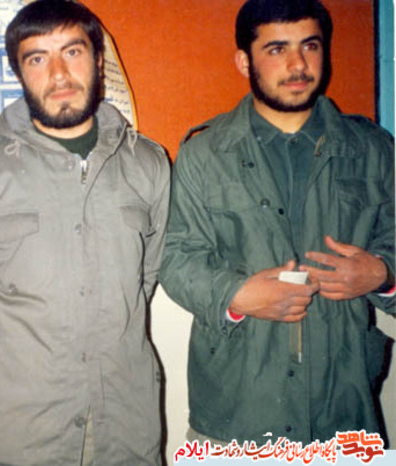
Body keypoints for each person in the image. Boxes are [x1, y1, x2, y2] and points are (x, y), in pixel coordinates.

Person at [160, 0, 394, 446]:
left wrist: (383, 275)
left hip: (344, 409)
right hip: (236, 414)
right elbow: (175, 257)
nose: (298, 64)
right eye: (277, 49)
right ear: (244, 61)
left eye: (310, 46)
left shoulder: (373, 150)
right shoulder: (204, 155)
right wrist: (236, 295)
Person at [0, 0, 170, 464]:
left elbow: (144, 280)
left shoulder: (148, 164)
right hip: (16, 434)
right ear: (19, 72)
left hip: (124, 430)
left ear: (98, 60)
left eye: (72, 52)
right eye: (37, 58)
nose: (58, 74)